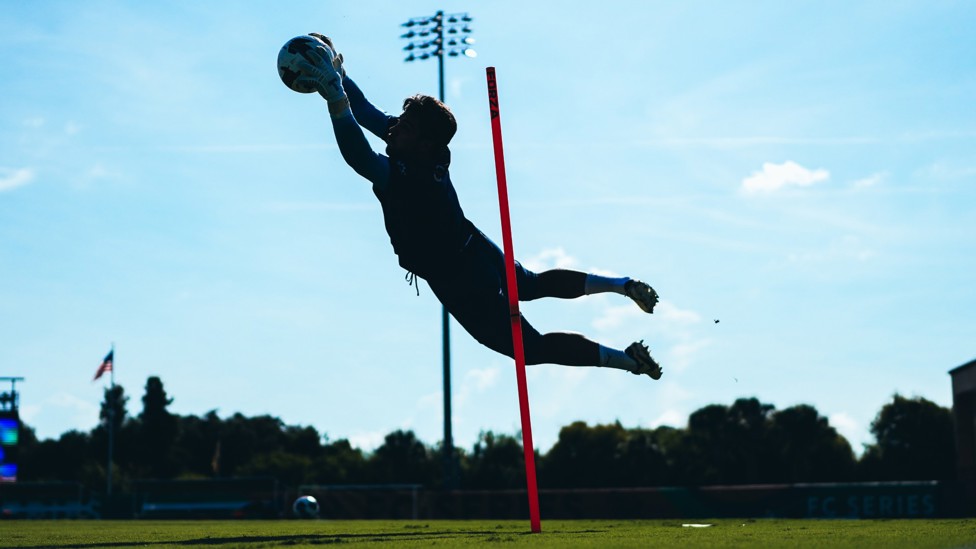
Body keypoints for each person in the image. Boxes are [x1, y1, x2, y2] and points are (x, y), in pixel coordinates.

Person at [293, 34, 662, 380]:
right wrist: (340, 76)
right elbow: (370, 113)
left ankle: (629, 361)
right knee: (529, 285)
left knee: (530, 349)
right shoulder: (429, 149)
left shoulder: (404, 174)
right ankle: (623, 287)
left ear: (422, 142)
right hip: (471, 247)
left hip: (457, 279)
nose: (394, 129)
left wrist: (334, 98)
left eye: (403, 126)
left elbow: (359, 155)